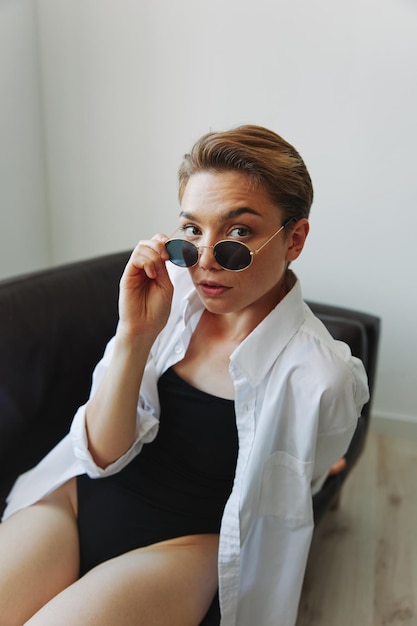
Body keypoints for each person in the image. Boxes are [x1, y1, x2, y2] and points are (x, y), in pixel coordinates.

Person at [0, 125, 369, 626]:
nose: (207, 262)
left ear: (294, 238)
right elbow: (103, 455)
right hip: (81, 496)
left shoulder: (323, 377)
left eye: (239, 233)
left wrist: (321, 467)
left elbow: (304, 476)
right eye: (192, 232)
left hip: (186, 544)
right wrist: (135, 335)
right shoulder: (167, 298)